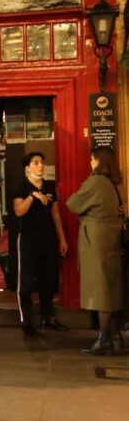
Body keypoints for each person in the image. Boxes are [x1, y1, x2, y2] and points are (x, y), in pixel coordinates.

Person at [66, 146, 124, 355]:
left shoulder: (96, 181)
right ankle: (114, 334)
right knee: (112, 288)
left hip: (97, 242)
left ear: (99, 160)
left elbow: (72, 203)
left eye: (92, 159)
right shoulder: (116, 182)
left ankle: (103, 338)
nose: (90, 163)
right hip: (112, 239)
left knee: (101, 293)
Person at [12, 151, 68, 337]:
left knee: (48, 279)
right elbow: (19, 211)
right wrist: (32, 196)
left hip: (48, 238)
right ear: (28, 167)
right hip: (28, 238)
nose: (41, 166)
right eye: (36, 163)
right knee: (26, 281)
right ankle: (26, 321)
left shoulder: (50, 186)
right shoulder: (21, 186)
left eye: (42, 162)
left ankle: (47, 317)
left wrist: (62, 238)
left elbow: (56, 214)